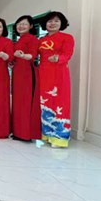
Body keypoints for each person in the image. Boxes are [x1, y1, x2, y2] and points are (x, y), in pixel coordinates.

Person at [38, 11, 75, 147]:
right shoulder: (41, 40)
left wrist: (58, 58)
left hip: (59, 73)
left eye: (56, 21)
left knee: (60, 103)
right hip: (43, 73)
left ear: (61, 23)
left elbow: (68, 54)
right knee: (44, 103)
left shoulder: (67, 38)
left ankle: (60, 138)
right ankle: (46, 134)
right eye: (49, 21)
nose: (52, 23)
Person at [11, 15, 41, 142]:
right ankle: (18, 132)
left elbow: (32, 55)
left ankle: (26, 133)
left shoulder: (33, 39)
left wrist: (23, 55)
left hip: (27, 73)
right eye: (19, 24)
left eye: (24, 24)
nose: (21, 26)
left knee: (26, 102)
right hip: (17, 73)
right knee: (18, 102)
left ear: (31, 26)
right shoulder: (18, 40)